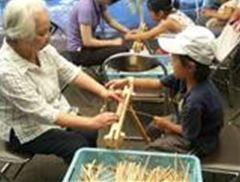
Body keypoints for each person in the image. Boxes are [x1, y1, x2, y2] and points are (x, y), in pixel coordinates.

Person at [0, 0, 122, 164]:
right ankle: (85, 172)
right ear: (21, 36)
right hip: (27, 129)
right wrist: (92, 121)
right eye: (41, 34)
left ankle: (90, 167)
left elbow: (70, 72)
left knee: (89, 133)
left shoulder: (42, 49)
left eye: (48, 29)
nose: (48, 38)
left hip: (54, 111)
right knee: (77, 144)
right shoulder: (7, 71)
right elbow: (43, 113)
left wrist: (103, 91)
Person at [107, 26, 224, 157]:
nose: (171, 62)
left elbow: (189, 133)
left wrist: (167, 125)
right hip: (187, 122)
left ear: (190, 66)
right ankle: (162, 144)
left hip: (199, 141)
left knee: (150, 152)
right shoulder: (186, 76)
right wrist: (129, 81)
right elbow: (157, 83)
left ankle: (160, 152)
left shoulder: (196, 101)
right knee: (153, 128)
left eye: (174, 59)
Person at [67, 0, 130, 66]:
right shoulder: (86, 8)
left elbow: (110, 21)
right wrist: (114, 42)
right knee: (122, 50)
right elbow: (87, 42)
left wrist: (127, 31)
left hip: (87, 46)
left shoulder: (99, 3)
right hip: (80, 53)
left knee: (118, 44)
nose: (111, 2)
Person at [125, 0, 194, 42]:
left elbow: (148, 35)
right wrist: (139, 32)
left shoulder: (168, 22)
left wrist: (128, 37)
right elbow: (155, 31)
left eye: (151, 12)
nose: (150, 14)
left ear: (160, 13)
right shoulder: (175, 12)